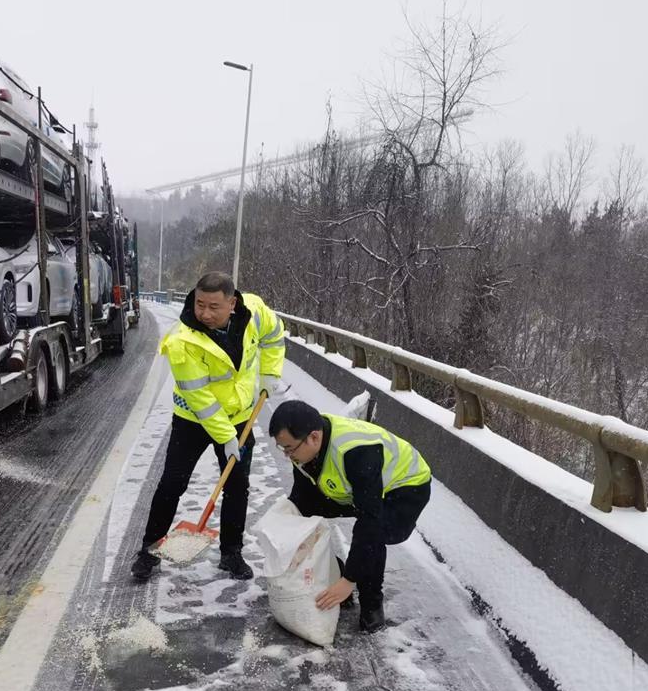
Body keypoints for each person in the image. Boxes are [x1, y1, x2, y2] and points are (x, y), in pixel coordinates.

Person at [132, 271, 286, 582]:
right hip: (193, 420)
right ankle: (149, 551)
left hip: (240, 415)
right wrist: (228, 437)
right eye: (200, 304)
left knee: (237, 486)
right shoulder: (182, 340)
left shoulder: (254, 312)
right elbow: (201, 400)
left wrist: (270, 373)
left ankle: (231, 553)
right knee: (172, 484)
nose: (204, 313)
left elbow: (274, 333)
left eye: (214, 306)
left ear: (233, 303)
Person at [268, 399, 431, 633]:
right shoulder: (303, 446)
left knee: (375, 535)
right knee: (301, 511)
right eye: (282, 449)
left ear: (314, 437)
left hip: (405, 488)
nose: (287, 456)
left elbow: (369, 522)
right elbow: (302, 497)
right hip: (356, 489)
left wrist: (349, 580)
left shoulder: (356, 452)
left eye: (289, 449)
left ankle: (371, 603)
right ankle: (333, 573)